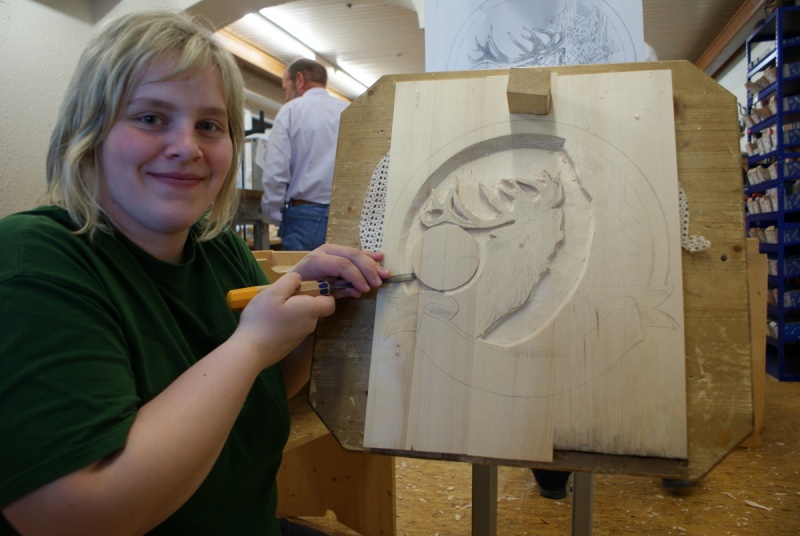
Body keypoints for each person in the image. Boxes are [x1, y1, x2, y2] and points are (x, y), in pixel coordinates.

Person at [0, 10, 389, 535]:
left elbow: (261, 390)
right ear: (88, 130)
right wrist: (250, 344)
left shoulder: (216, 246)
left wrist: (302, 320)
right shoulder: (34, 261)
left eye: (209, 125)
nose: (187, 147)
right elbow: (73, 518)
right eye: (150, 118)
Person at [260, 58, 349, 251]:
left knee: (301, 271)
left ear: (299, 79)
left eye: (286, 89)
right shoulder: (350, 110)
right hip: (348, 215)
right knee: (345, 270)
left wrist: (274, 213)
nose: (286, 97)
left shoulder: (292, 110)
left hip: (304, 217)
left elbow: (276, 169)